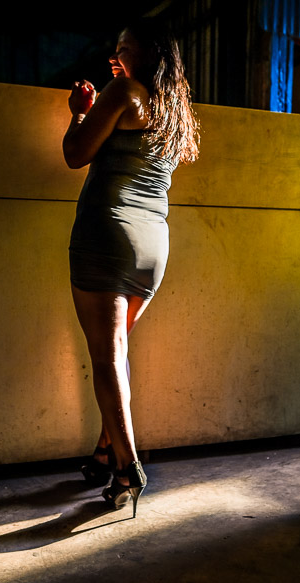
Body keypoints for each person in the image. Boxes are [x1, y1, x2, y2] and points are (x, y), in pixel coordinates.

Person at [62, 19, 199, 517]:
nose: (115, 57)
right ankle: (104, 452)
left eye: (124, 48)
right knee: (116, 355)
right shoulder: (174, 107)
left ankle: (127, 468)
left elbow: (76, 154)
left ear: (146, 54)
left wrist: (81, 112)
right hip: (153, 248)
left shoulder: (122, 92)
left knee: (107, 359)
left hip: (106, 235)